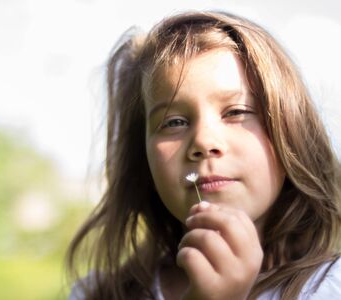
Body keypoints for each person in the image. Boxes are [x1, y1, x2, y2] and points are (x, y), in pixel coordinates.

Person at [66, 10, 341, 300]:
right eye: (174, 122)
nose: (203, 142)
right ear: (143, 159)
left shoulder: (330, 287)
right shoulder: (98, 294)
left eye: (236, 112)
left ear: (291, 134)